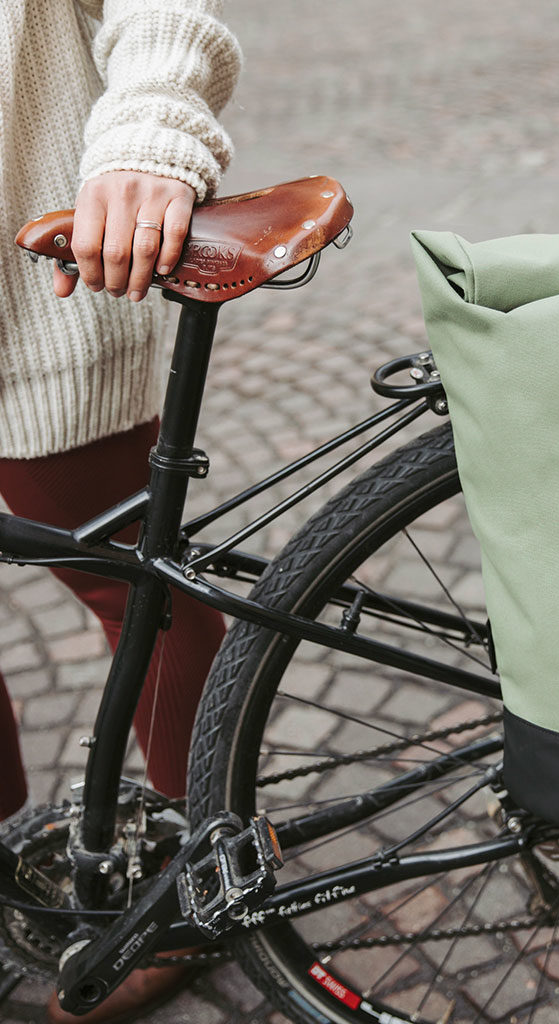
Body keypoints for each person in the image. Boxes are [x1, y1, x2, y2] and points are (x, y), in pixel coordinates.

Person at [0, 1, 242, 1020]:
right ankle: (15, 860)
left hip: (34, 308)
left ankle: (203, 882)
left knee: (141, 596)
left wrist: (149, 127)